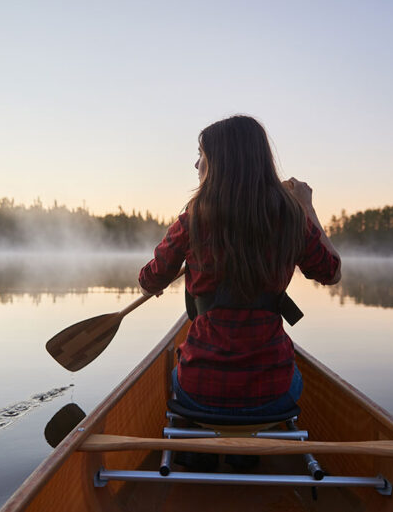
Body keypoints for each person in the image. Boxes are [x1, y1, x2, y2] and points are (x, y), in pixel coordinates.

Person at [138, 115, 341, 417]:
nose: (196, 165)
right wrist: (306, 208)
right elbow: (332, 272)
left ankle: (199, 443)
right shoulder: (292, 220)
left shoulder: (191, 221)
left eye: (201, 156)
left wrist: (158, 280)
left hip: (198, 390)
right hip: (273, 393)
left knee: (176, 374)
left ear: (220, 163)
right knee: (292, 380)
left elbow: (148, 281)